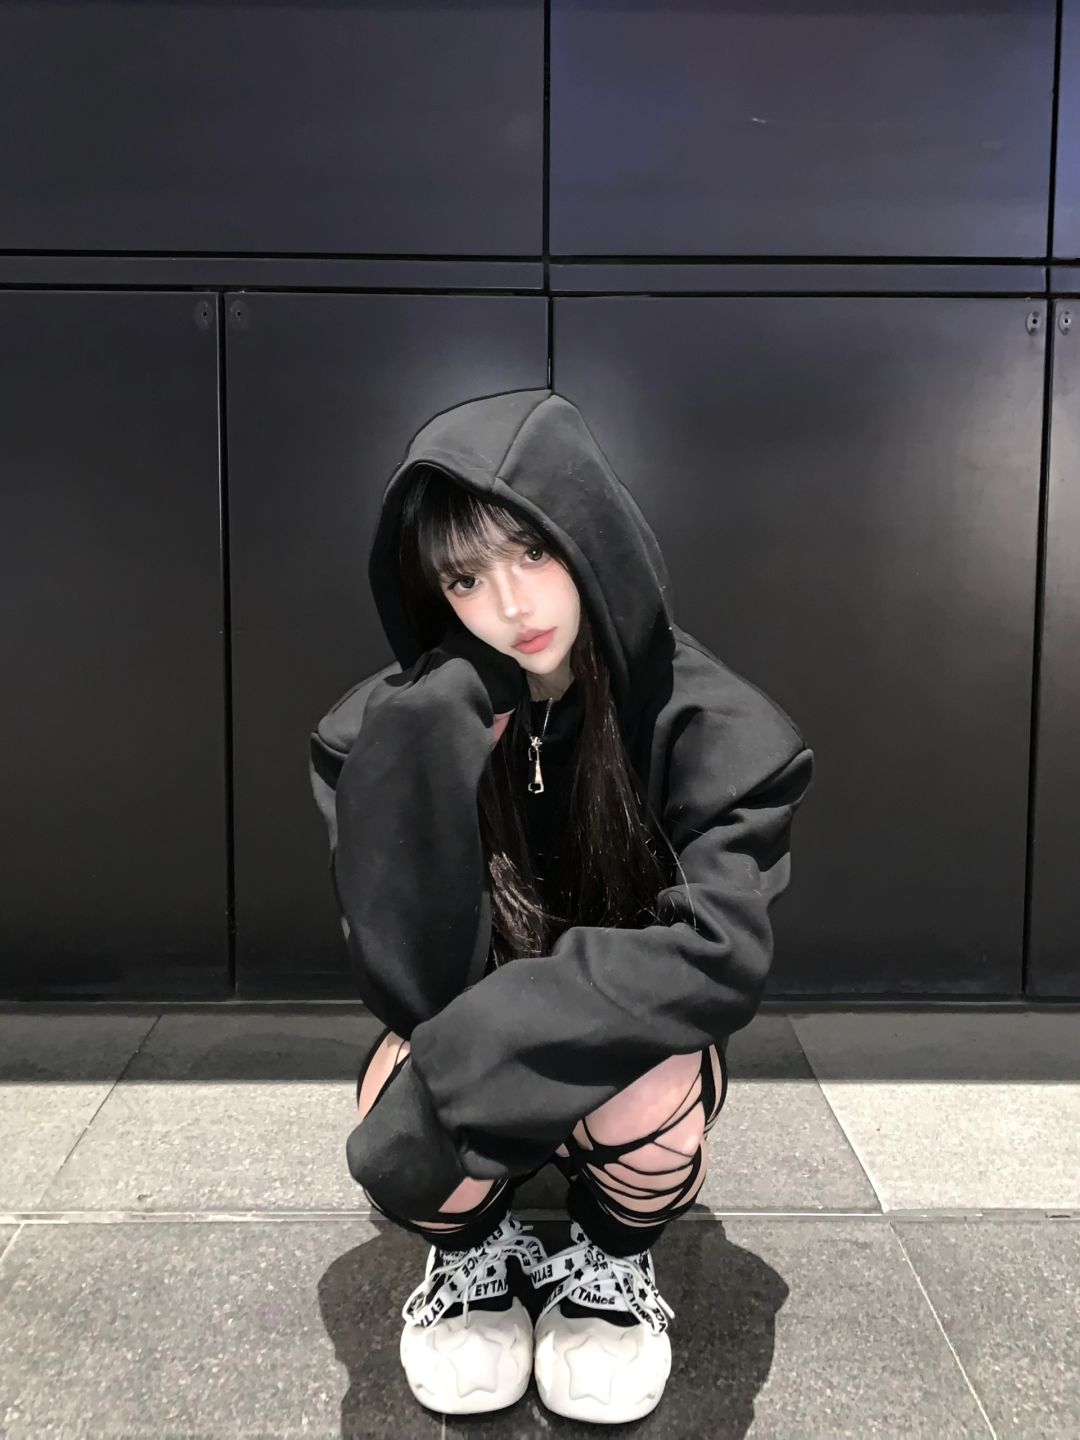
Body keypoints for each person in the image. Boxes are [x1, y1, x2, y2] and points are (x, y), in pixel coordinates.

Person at [309, 389, 814, 1423]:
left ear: (589, 534)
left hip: (623, 1056)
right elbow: (405, 981)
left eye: (533, 551)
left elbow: (717, 955)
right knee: (397, 1097)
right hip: (464, 1027)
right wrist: (429, 746)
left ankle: (611, 1260)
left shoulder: (715, 728)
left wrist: (478, 1053)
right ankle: (474, 1253)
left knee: (646, 1093)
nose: (511, 604)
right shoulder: (376, 732)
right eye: (465, 577)